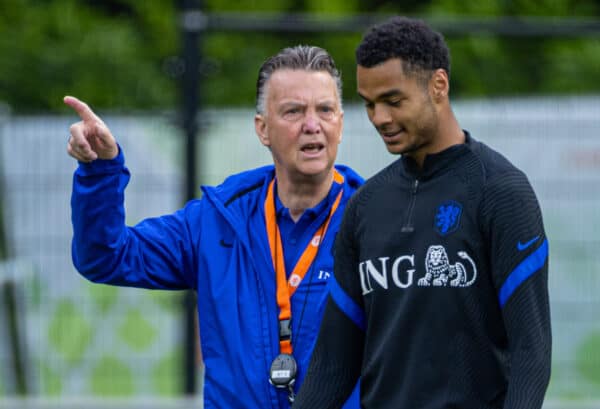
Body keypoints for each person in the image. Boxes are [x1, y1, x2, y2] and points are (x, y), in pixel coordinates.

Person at [64, 45, 362, 409]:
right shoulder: (219, 221)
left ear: (341, 124)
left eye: (325, 110)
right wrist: (100, 171)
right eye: (293, 111)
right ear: (263, 129)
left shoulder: (375, 223)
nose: (312, 125)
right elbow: (106, 257)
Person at [294, 17, 551, 409]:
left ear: (439, 86)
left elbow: (531, 355)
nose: (380, 117)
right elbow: (333, 362)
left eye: (394, 101)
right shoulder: (365, 205)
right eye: (369, 104)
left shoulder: (500, 192)